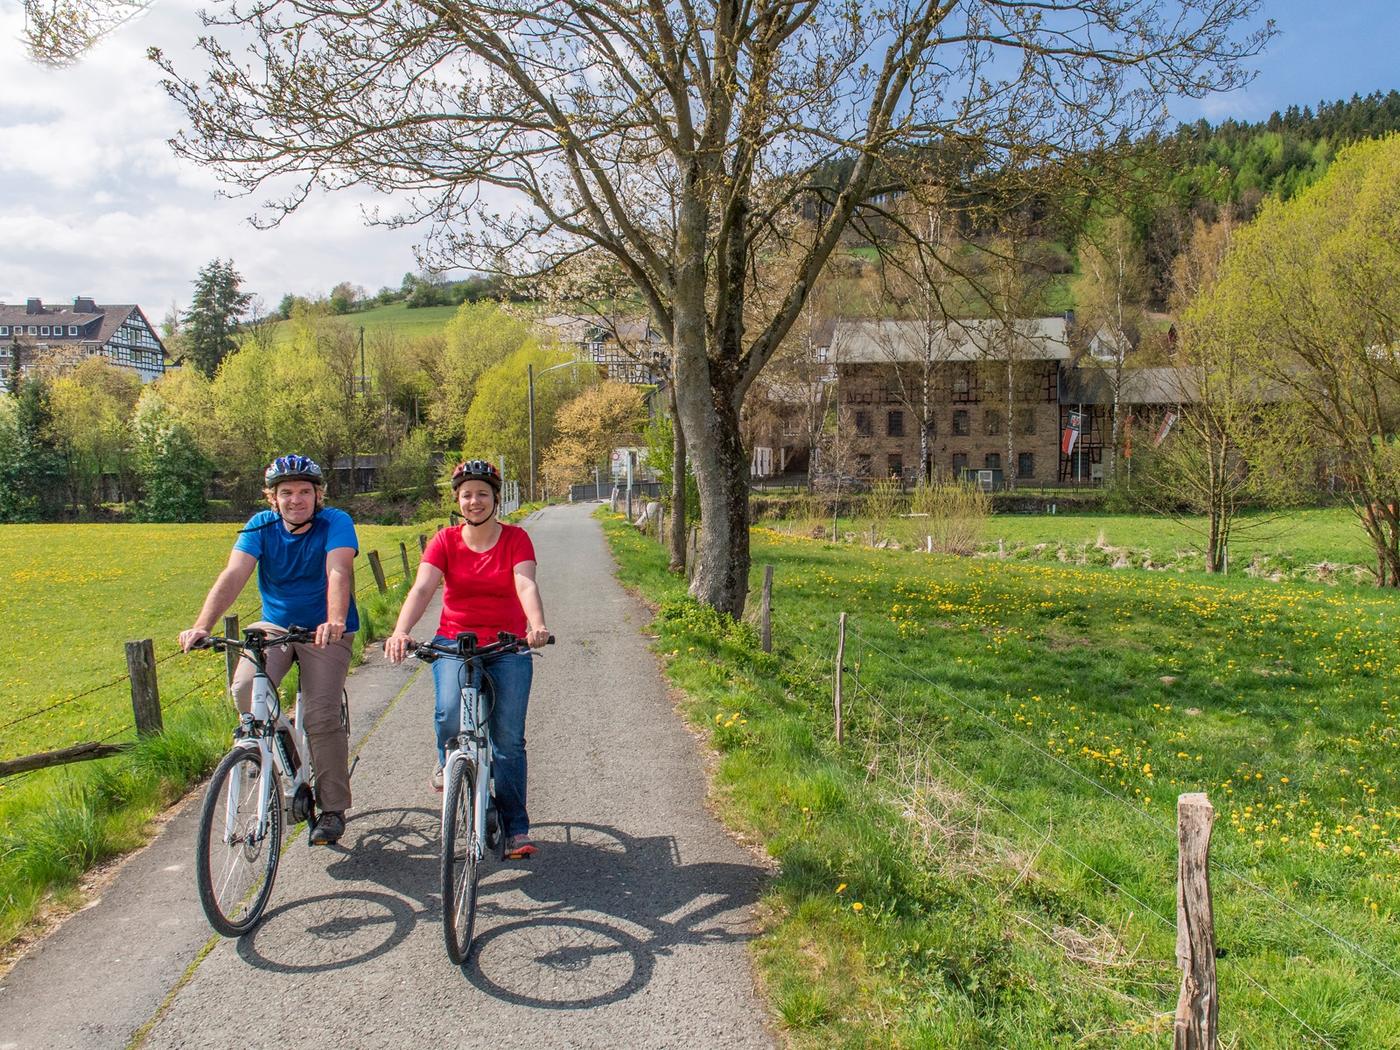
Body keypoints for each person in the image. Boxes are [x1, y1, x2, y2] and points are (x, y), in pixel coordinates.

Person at [179, 454, 359, 847]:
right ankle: (286, 752)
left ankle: (332, 808)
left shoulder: (336, 523)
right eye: (286, 493)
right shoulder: (260, 527)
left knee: (320, 715)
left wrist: (333, 619)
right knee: (245, 690)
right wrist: (202, 625)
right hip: (275, 623)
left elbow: (338, 571)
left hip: (325, 628)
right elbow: (234, 574)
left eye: (304, 492)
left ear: (318, 495)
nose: (296, 500)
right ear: (272, 498)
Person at [384, 458, 549, 860]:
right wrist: (401, 631)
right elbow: (422, 589)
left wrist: (537, 624)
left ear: (496, 498)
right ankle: (450, 764)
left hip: (508, 645)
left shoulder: (516, 539)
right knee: (448, 712)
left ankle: (515, 829)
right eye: (466, 494)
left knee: (508, 741)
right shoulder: (444, 541)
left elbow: (524, 583)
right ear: (457, 500)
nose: (474, 501)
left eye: (482, 493)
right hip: (454, 641)